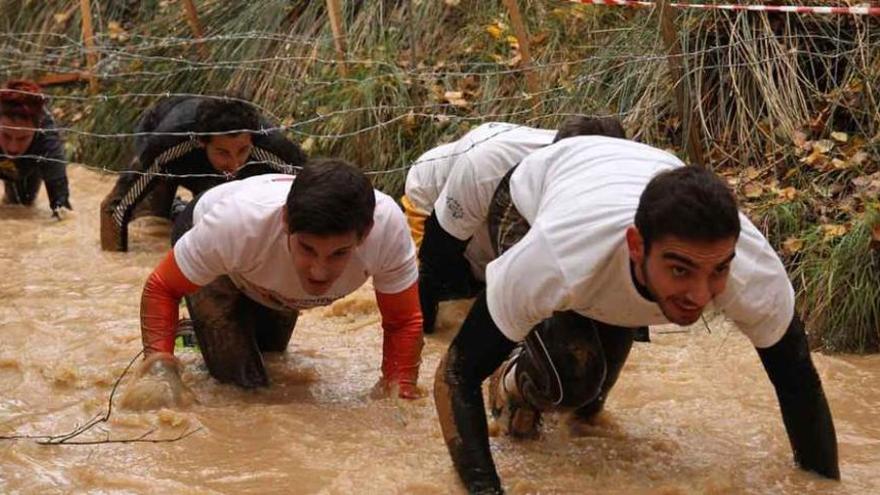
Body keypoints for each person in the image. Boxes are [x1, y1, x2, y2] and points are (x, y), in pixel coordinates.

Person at [432, 136, 839, 493]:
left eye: (718, 271)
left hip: (625, 183)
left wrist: (823, 487)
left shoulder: (754, 273)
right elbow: (455, 375)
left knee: (587, 410)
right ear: (636, 246)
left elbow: (798, 383)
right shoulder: (556, 257)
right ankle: (512, 379)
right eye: (680, 269)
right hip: (533, 195)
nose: (699, 296)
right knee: (572, 378)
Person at [138, 159, 423, 399]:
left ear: (366, 233)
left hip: (266, 277)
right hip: (213, 239)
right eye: (307, 249)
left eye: (339, 254)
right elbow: (162, 287)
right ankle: (202, 329)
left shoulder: (388, 230)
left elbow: (402, 322)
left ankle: (194, 334)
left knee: (274, 359)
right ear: (286, 221)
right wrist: (160, 372)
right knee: (246, 390)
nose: (319, 272)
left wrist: (398, 397)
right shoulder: (237, 225)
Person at [410, 117, 626, 334]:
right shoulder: (487, 167)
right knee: (463, 292)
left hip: (503, 202)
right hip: (433, 198)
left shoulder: (617, 181)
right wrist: (424, 336)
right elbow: (433, 258)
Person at [100, 95, 307, 251]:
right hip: (165, 135)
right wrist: (116, 269)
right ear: (201, 142)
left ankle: (186, 209)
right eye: (223, 152)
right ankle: (176, 209)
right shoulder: (167, 145)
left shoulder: (271, 146)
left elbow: (310, 193)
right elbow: (115, 208)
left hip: (217, 167)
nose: (235, 164)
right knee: (156, 222)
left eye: (242, 151)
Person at [0, 79, 72, 219]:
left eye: (22, 138)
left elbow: (63, 210)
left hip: (29, 163)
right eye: (6, 136)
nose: (13, 148)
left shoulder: (48, 142)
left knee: (22, 205)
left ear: (37, 130)